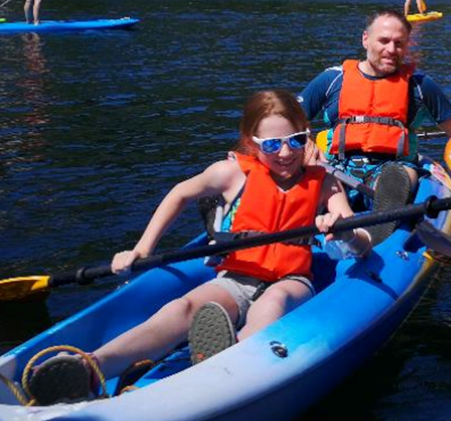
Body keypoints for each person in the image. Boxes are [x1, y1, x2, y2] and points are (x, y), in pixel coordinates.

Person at [25, 90, 371, 405]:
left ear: (305, 137)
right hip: (237, 276)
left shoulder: (324, 182)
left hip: (292, 280)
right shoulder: (232, 173)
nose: (285, 153)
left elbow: (363, 240)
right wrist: (140, 249)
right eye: (271, 145)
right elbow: (180, 193)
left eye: (295, 141)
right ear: (253, 143)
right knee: (185, 307)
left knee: (272, 304)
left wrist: (341, 231)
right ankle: (89, 367)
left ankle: (227, 358)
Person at [300, 10, 451, 227]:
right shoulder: (332, 80)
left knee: (398, 178)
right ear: (365, 39)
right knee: (312, 181)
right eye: (384, 41)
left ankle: (381, 229)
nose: (391, 49)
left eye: (399, 43)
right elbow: (288, 120)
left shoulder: (420, 86)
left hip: (391, 168)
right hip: (339, 169)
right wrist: (306, 142)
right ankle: (324, 226)